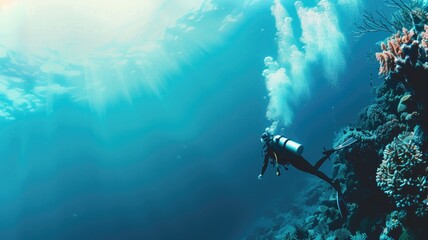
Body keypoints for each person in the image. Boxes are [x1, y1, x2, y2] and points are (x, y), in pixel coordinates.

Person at [258, 131, 356, 218]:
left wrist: (261, 174)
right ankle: (332, 177)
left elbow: (265, 163)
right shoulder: (277, 140)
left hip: (293, 161)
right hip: (296, 156)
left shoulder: (270, 147)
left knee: (313, 170)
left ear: (264, 141)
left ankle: (333, 179)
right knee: (314, 170)